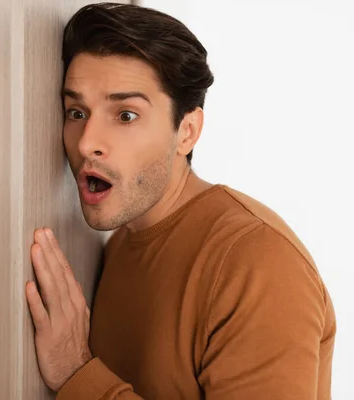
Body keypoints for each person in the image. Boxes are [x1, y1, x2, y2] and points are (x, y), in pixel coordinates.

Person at [24, 2, 336, 399]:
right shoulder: (122, 241)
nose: (87, 143)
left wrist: (76, 372)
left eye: (125, 116)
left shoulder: (258, 262)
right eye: (77, 112)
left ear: (187, 131)